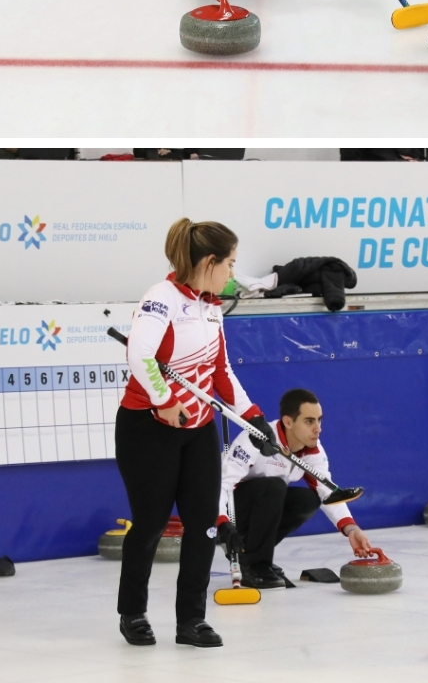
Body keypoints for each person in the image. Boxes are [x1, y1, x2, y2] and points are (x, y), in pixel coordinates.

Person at [115, 218, 281, 648]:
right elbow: (140, 354)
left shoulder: (211, 306)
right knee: (151, 524)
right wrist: (163, 401)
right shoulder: (161, 299)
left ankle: (191, 619)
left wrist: (255, 417)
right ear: (209, 262)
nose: (232, 273)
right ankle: (132, 612)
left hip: (198, 427)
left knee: (204, 524)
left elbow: (220, 371)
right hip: (146, 427)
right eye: (229, 263)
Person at [218, 387, 374, 587]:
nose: (318, 428)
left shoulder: (313, 451)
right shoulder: (256, 438)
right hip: (230, 512)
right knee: (274, 486)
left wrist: (352, 529)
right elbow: (222, 484)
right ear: (288, 422)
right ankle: (256, 565)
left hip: (261, 506)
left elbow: (328, 493)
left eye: (319, 420)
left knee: (308, 501)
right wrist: (222, 523)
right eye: (309, 421)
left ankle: (252, 557)